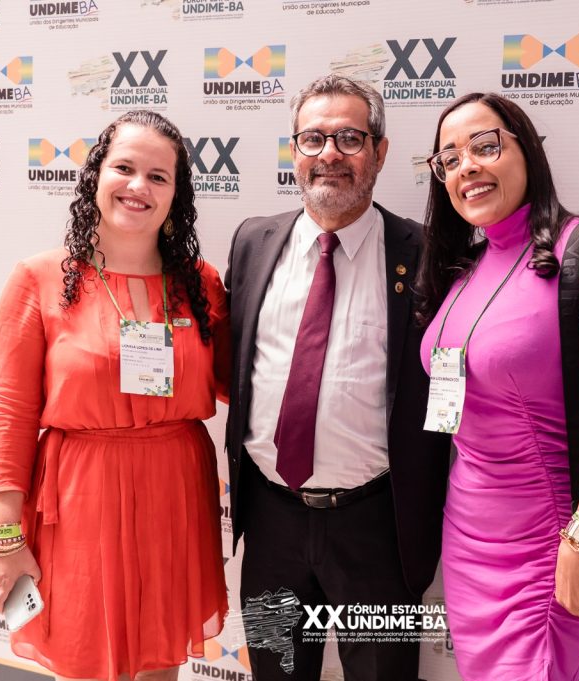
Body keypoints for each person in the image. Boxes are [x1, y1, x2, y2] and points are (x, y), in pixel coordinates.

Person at [416, 92, 579, 681]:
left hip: (551, 543)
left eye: (485, 146)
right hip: (468, 537)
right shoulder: (466, 267)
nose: (466, 166)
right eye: (448, 159)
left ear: (527, 149)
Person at [0, 110, 230, 681]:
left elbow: (241, 385)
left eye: (158, 176)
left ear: (176, 195)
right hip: (81, 499)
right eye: (124, 168)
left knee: (159, 660)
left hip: (175, 491)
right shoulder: (40, 278)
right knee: (86, 659)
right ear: (96, 175)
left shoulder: (201, 282)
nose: (139, 186)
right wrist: (5, 538)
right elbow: (10, 414)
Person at [223, 74, 450, 681]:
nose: (330, 154)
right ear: (294, 150)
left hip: (377, 531)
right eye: (313, 138)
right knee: (273, 671)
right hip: (271, 526)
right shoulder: (252, 242)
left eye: (350, 138)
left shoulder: (427, 255)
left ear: (380, 151)